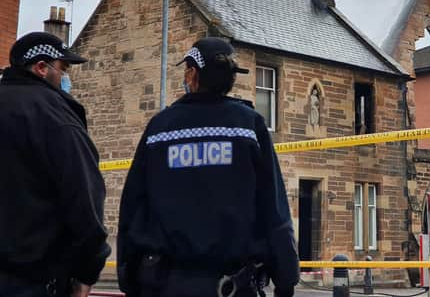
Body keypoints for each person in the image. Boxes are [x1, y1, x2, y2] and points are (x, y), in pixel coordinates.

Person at [118, 37, 300, 297]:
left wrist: (128, 276)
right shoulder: (248, 127)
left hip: (165, 283)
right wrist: (285, 278)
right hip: (232, 285)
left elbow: (133, 206)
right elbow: (274, 207)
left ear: (192, 73)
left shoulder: (159, 129)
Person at [0, 32, 111, 297]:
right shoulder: (56, 117)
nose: (65, 78)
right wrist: (86, 272)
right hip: (32, 279)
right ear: (41, 67)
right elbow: (84, 200)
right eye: (63, 68)